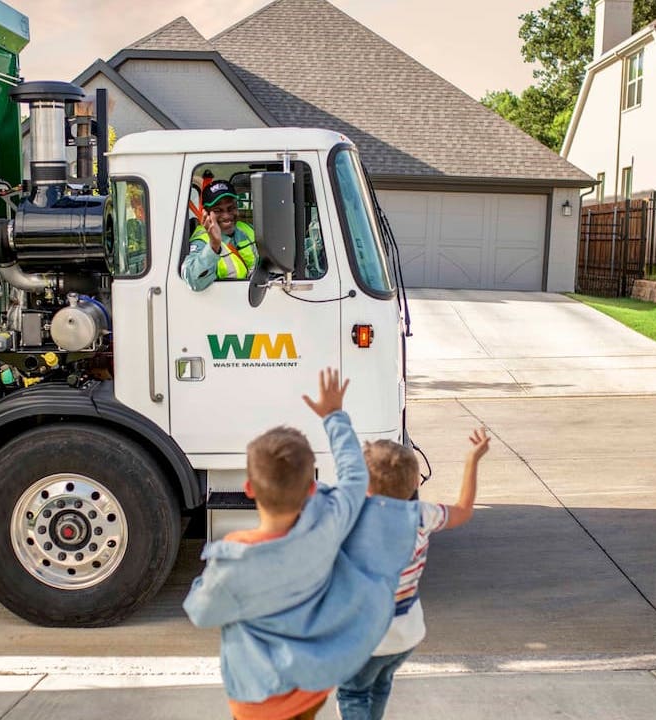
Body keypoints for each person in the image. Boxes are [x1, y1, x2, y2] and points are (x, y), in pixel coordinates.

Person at [183, 369, 420, 720]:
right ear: (312, 487)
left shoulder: (236, 559)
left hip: (257, 699)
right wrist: (333, 416)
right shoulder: (328, 523)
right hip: (310, 691)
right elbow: (355, 477)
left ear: (249, 489)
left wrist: (206, 579)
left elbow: (201, 612)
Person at [335, 427, 491, 720]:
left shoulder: (353, 522)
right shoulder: (422, 514)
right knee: (381, 683)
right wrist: (472, 460)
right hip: (406, 636)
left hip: (366, 640)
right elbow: (463, 510)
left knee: (353, 693)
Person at [181, 178, 257, 291]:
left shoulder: (247, 229)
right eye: (217, 210)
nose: (226, 215)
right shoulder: (201, 241)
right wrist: (213, 245)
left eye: (231, 208)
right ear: (205, 213)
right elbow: (194, 281)